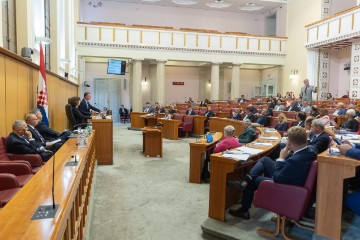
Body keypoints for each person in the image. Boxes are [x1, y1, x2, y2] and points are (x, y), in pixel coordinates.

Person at [227, 126, 317, 219]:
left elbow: (277, 178)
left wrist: (281, 158)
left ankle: (244, 210)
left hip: (287, 187)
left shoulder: (294, 160)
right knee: (265, 160)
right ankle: (245, 180)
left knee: (255, 179)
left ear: (289, 143)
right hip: (290, 177)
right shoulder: (311, 150)